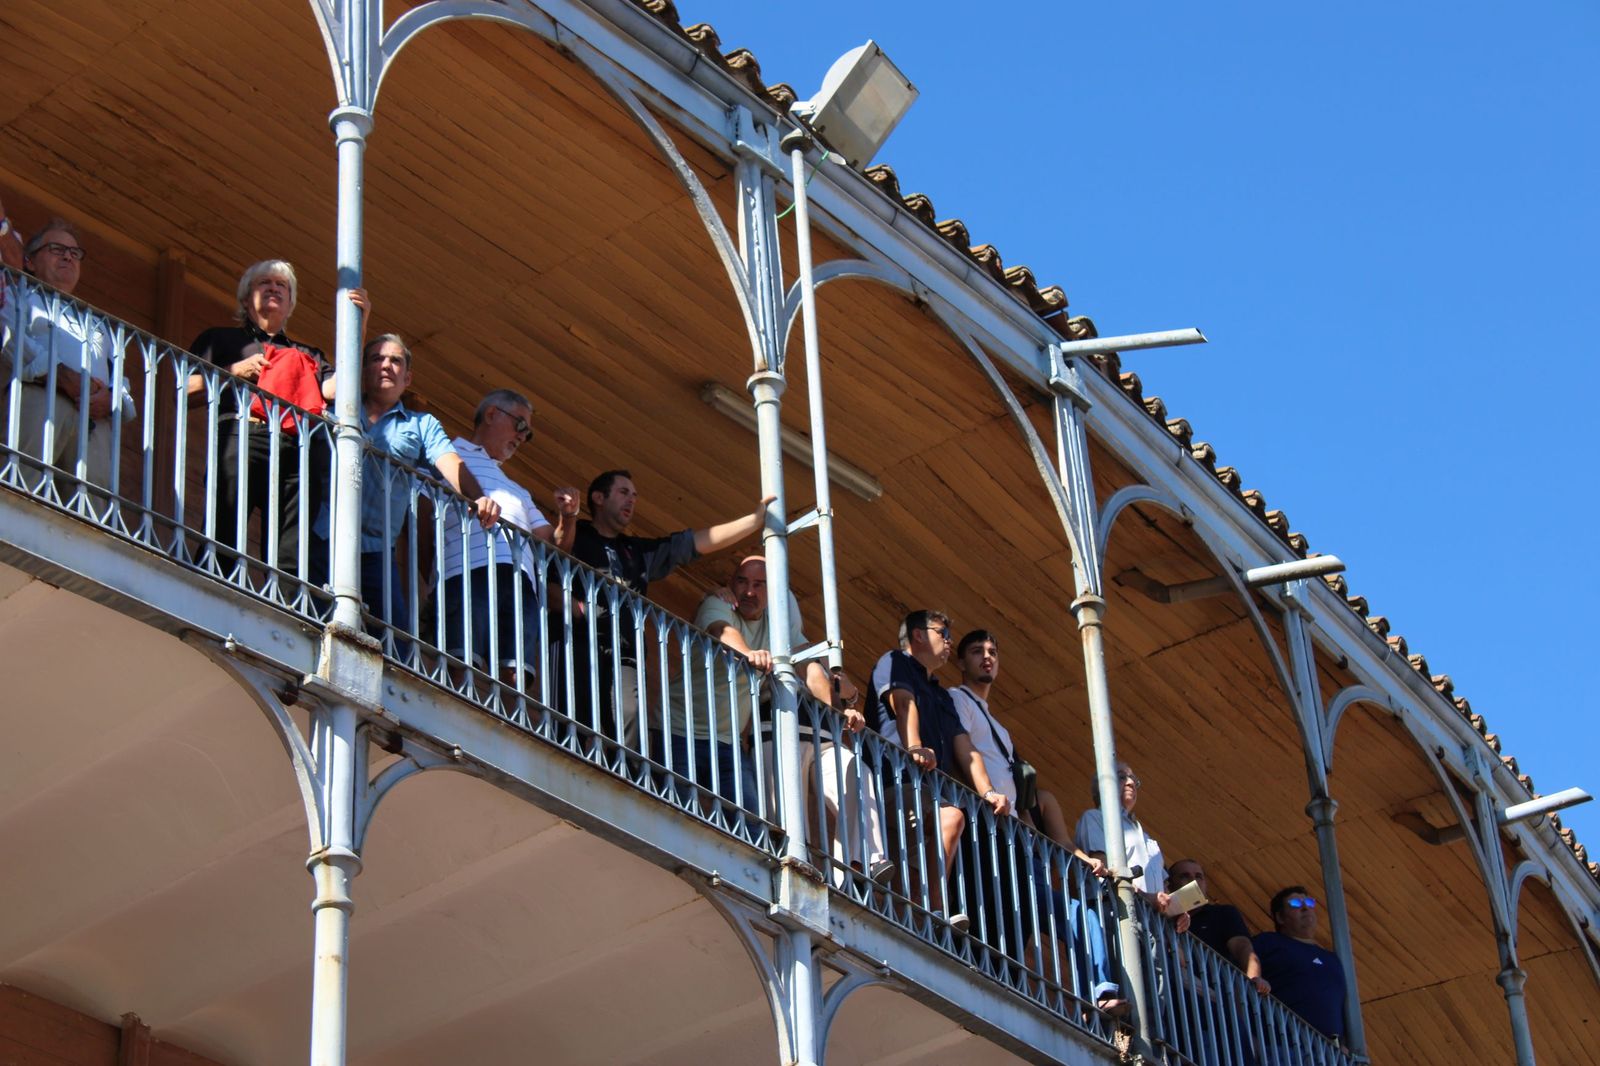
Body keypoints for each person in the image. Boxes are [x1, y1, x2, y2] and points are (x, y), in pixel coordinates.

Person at [947, 629, 1117, 1006]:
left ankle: (1101, 989)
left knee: (1072, 913)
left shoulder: (1001, 729)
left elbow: (1024, 801)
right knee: (1004, 915)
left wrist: (1048, 847)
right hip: (988, 828)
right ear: (961, 662)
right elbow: (963, 751)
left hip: (1018, 843)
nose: (987, 657)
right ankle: (997, 978)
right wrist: (987, 793)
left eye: (993, 651)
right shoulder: (956, 699)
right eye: (977, 652)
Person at [567, 468, 772, 750]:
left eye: (635, 496)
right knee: (571, 716)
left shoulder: (635, 551)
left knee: (628, 721)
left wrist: (754, 521)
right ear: (598, 498)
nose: (632, 501)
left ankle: (620, 777)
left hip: (625, 654)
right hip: (575, 645)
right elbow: (551, 552)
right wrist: (566, 517)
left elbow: (695, 543)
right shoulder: (576, 535)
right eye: (624, 492)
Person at [187, 259, 367, 577]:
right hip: (243, 435)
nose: (273, 288)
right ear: (246, 298)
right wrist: (233, 372)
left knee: (291, 546)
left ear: (290, 302)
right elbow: (184, 390)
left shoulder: (307, 355)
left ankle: (284, 604)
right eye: (264, 283)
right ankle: (207, 587)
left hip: (296, 448)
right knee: (225, 528)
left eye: (281, 285)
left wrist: (358, 326)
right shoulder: (222, 340)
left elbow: (338, 388)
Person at [311, 334, 499, 635]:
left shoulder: (421, 424)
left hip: (376, 547)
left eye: (395, 360)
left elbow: (449, 461)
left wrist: (478, 497)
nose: (386, 365)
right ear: (364, 369)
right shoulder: (340, 406)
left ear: (407, 377)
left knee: (393, 641)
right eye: (377, 359)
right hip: (321, 533)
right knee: (310, 618)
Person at [869, 610, 1009, 932]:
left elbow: (965, 747)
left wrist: (988, 792)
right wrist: (915, 747)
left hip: (926, 789)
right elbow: (903, 704)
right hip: (895, 777)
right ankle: (929, 907)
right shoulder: (895, 661)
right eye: (942, 633)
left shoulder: (941, 693)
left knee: (952, 819)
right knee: (949, 819)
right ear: (918, 635)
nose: (948, 641)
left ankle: (925, 907)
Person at [433, 388, 576, 678]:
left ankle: (508, 722)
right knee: (462, 658)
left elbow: (553, 545)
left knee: (517, 672)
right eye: (520, 425)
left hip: (519, 580)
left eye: (527, 433)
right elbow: (423, 514)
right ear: (491, 414)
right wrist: (427, 577)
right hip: (465, 571)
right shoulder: (449, 454)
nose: (522, 437)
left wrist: (568, 517)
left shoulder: (518, 489)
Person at [1, 218, 135, 490]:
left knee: (92, 510)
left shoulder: (97, 323)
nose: (67, 257)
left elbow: (118, 378)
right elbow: (9, 338)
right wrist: (59, 374)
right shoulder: (19, 296)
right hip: (38, 403)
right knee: (22, 489)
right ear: (29, 261)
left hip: (93, 425)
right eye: (56, 249)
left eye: (75, 253)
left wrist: (111, 399)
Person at [1253, 886, 1346, 1042]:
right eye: (1296, 903)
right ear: (1280, 918)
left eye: (1309, 902)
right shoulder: (1268, 942)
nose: (1305, 907)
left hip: (1328, 1054)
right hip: (1284, 1046)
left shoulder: (1332, 959)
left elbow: (1343, 1007)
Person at [1166, 859, 1270, 995]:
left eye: (1198, 876)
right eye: (1185, 876)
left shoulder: (1222, 914)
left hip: (1217, 997)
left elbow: (1242, 947)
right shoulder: (1160, 917)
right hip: (1174, 991)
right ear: (1169, 885)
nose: (1193, 880)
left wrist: (1255, 978)